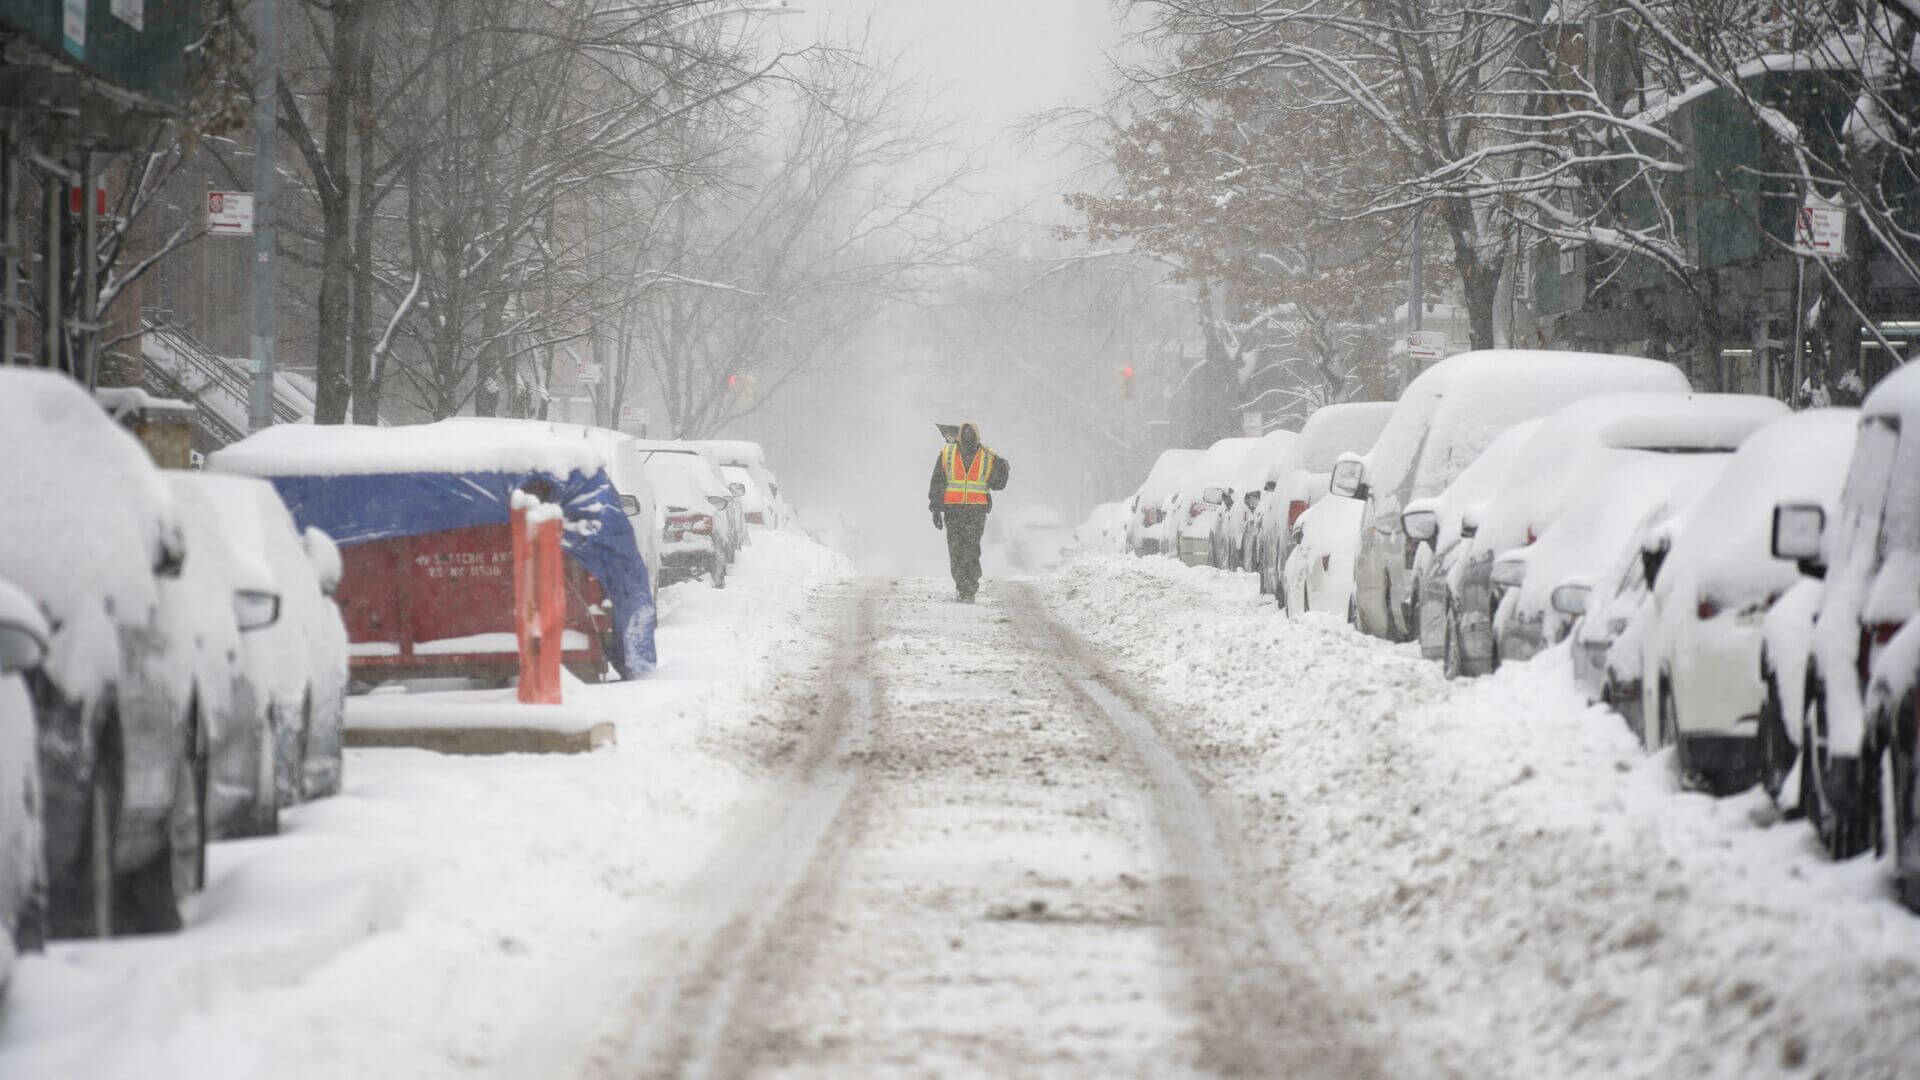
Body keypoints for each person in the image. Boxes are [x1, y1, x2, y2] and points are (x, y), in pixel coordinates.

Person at [929, 421, 1011, 603]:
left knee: (971, 550)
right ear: (958, 435)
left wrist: (1003, 468)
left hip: (976, 512)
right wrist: (936, 509)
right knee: (956, 550)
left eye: (970, 432)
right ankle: (962, 585)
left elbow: (998, 484)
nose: (967, 435)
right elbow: (937, 483)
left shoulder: (988, 456)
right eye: (964, 432)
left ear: (976, 435)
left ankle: (970, 588)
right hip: (953, 510)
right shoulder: (947, 454)